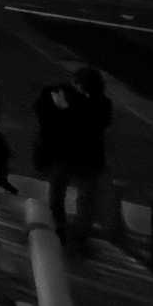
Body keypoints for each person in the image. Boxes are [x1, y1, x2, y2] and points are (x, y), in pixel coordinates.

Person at [33, 66, 112, 251]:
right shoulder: (97, 102)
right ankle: (72, 234)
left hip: (72, 155)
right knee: (79, 198)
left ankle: (68, 232)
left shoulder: (93, 102)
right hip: (80, 156)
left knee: (67, 195)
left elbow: (86, 125)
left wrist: (65, 109)